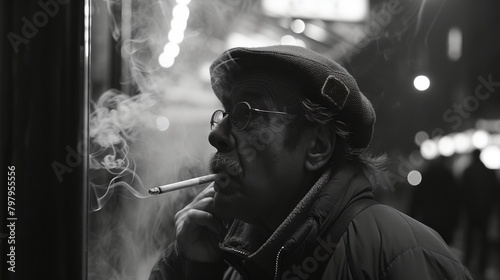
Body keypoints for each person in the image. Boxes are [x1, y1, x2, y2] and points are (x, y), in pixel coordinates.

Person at [149, 45, 472, 279]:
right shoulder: (225, 250)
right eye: (225, 114)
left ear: (316, 146)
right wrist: (191, 267)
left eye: (246, 114)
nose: (217, 136)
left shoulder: (403, 257)